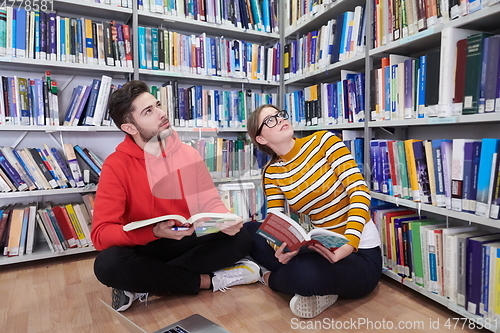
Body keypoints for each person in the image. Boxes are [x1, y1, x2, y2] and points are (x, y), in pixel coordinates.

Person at [91, 80, 259, 312]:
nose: (162, 113)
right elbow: (100, 235)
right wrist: (152, 231)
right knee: (108, 265)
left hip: (184, 237)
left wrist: (224, 219)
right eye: (148, 111)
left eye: (158, 105)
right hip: (144, 244)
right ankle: (208, 281)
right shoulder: (115, 166)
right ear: (130, 128)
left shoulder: (187, 154)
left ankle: (145, 283)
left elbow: (209, 201)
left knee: (243, 237)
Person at [244, 104, 382, 318]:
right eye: (270, 120)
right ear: (261, 139)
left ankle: (269, 278)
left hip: (359, 253)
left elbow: (359, 191)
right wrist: (282, 248)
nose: (280, 119)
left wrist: (349, 243)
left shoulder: (323, 142)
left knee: (305, 273)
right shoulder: (272, 173)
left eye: (280, 115)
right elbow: (275, 220)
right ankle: (309, 282)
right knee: (249, 230)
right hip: (321, 248)